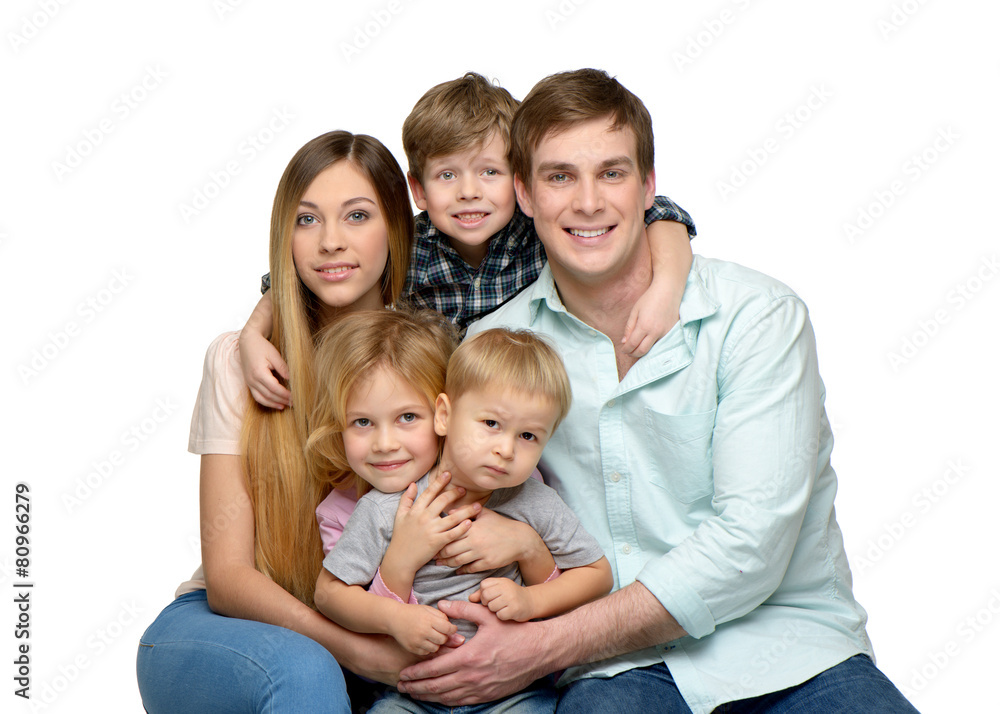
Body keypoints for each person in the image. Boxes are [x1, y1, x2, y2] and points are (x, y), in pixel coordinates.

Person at [393, 70, 920, 714]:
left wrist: (540, 645)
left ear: (648, 187)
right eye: (560, 177)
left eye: (612, 173)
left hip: (788, 649)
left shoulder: (757, 316)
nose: (588, 202)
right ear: (525, 195)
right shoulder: (495, 344)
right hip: (611, 669)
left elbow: (750, 545)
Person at [136, 130, 423, 713]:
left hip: (369, 624)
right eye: (307, 219)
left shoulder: (428, 360)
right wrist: (355, 653)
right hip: (224, 627)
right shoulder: (240, 360)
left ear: (395, 229)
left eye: (357, 216)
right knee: (305, 670)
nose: (331, 241)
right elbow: (228, 576)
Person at [238, 72, 699, 411]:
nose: (468, 192)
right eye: (446, 175)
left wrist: (666, 288)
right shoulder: (410, 248)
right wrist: (252, 335)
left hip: (535, 406)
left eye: (489, 172)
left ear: (520, 182)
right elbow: (302, 275)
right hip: (438, 413)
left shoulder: (541, 230)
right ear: (417, 190)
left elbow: (658, 212)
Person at [317, 326, 613, 713]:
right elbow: (330, 594)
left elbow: (597, 574)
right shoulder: (388, 507)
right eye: (490, 424)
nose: (505, 449)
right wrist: (395, 619)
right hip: (414, 696)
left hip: (513, 694)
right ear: (444, 415)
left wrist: (530, 599)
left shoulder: (535, 502)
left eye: (527, 436)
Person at [306, 309, 570, 656]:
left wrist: (528, 546)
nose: (385, 444)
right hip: (409, 675)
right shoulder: (357, 511)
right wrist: (401, 561)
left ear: (443, 416)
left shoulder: (509, 479)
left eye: (408, 417)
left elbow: (567, 595)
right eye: (362, 422)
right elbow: (340, 605)